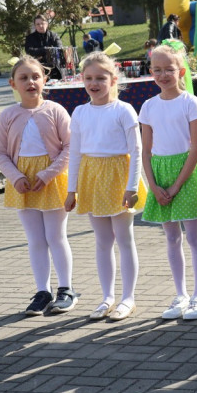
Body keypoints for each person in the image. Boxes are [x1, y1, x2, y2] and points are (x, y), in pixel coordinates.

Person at [64, 52, 147, 322]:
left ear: (114, 79)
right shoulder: (79, 112)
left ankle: (128, 298)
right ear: (81, 80)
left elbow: (136, 151)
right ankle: (107, 297)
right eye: (88, 78)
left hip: (119, 178)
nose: (94, 83)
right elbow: (74, 153)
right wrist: (71, 189)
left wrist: (131, 186)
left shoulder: (124, 110)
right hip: (92, 178)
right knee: (102, 242)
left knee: (124, 239)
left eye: (100, 77)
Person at [0, 56, 75, 315]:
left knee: (56, 236)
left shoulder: (55, 110)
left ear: (45, 80)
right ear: (13, 84)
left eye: (35, 77)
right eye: (24, 78)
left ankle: (66, 289)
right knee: (35, 239)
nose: (30, 82)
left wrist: (48, 174)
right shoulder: (8, 115)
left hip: (51, 181)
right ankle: (43, 291)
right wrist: (15, 177)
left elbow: (71, 147)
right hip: (22, 183)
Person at [139, 44, 197, 321]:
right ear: (151, 72)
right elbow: (145, 151)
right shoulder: (148, 106)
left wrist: (177, 185)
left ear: (180, 71)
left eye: (169, 69)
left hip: (186, 174)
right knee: (171, 237)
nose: (163, 74)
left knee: (193, 236)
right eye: (157, 69)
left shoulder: (190, 102)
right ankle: (179, 294)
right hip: (160, 173)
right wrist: (154, 185)